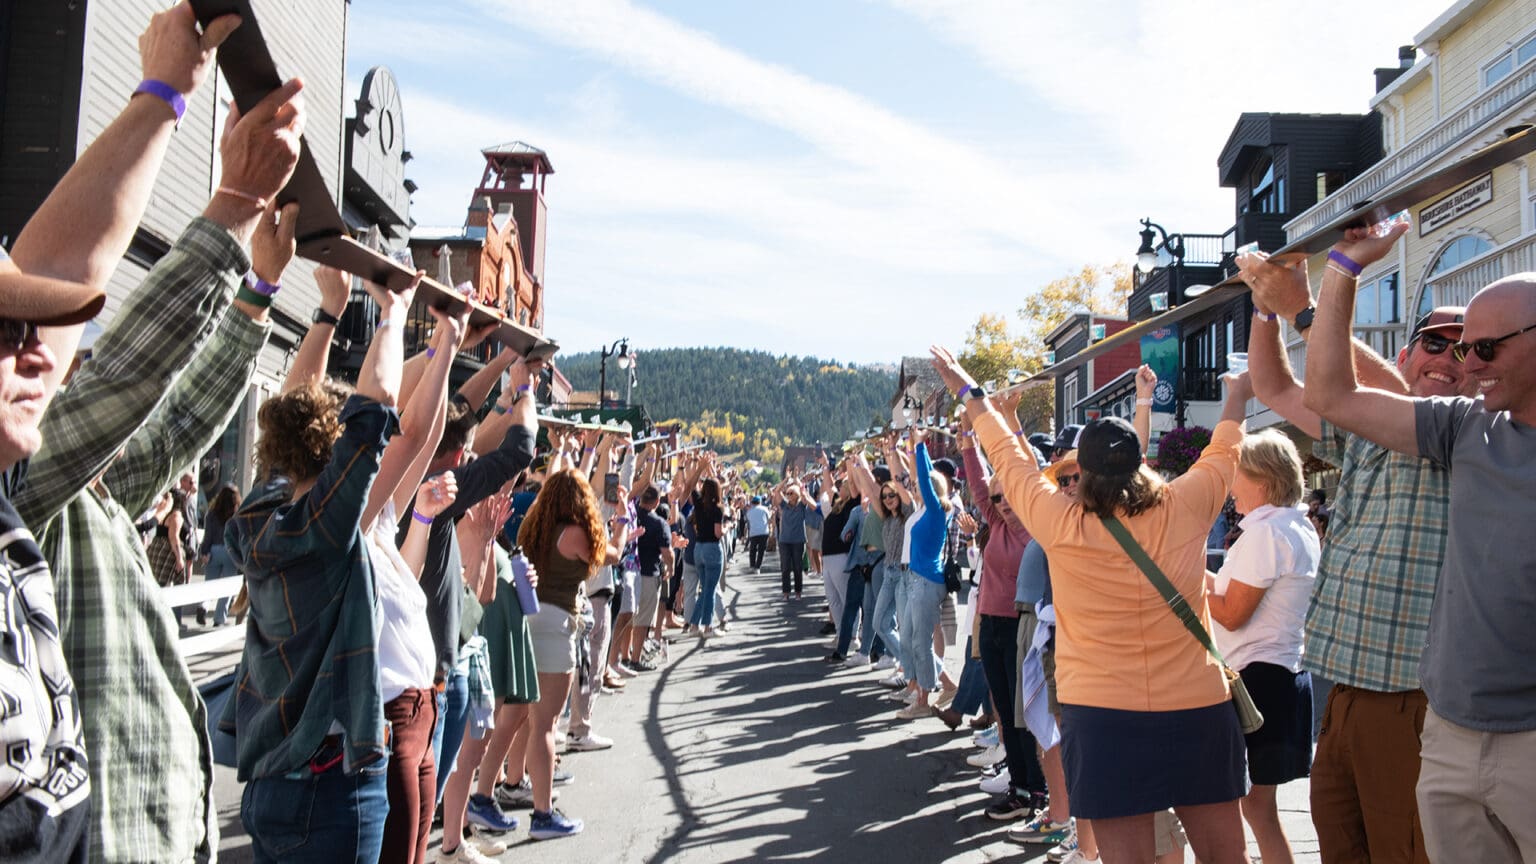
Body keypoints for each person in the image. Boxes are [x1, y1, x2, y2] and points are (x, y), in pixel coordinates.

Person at [7, 10, 300, 859]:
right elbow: (125, 370)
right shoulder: (25, 485)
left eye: (33, 338)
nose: (33, 357)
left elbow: (171, 420)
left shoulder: (75, 494)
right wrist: (228, 194)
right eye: (7, 338)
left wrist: (256, 297)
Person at [931, 344, 1253, 864]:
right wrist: (1237, 393)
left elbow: (1008, 459)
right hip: (1197, 706)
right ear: (1140, 463)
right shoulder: (1187, 505)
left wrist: (971, 393)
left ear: (1085, 473)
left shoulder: (1060, 522)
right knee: (1225, 857)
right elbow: (1226, 446)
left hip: (1105, 716)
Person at [1296, 217, 1536, 863]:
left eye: (1485, 349)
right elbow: (1331, 392)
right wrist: (1344, 269)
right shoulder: (1465, 428)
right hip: (1451, 733)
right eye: (1461, 348)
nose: (1469, 364)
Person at [1240, 231, 1474, 864]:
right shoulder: (1374, 427)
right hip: (1341, 692)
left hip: (1410, 701)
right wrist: (1266, 305)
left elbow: (1368, 385)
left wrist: (1303, 302)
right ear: (1408, 348)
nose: (1448, 360)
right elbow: (1276, 387)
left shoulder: (1474, 437)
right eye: (1435, 342)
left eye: (1469, 351)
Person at [222, 267, 422, 863]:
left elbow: (294, 409)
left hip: (267, 786)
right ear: (331, 451)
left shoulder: (258, 515)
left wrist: (330, 311)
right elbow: (376, 407)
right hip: (330, 785)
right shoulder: (327, 526)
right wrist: (395, 312)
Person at [1206, 429, 1320, 864]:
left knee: (1240, 805)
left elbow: (1233, 613)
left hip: (1258, 679)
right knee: (1257, 808)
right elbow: (1236, 595)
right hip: (1278, 674)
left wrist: (1183, 573)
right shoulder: (1295, 526)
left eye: (1238, 473)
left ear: (1263, 479)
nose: (1231, 483)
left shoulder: (1267, 533)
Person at [517, 468, 630, 840]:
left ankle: (520, 788)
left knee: (527, 720)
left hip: (528, 620)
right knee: (547, 725)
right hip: (556, 626)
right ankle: (543, 813)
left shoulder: (534, 530)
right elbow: (611, 555)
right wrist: (622, 520)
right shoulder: (576, 533)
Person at [199, 483, 243, 625]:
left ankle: (203, 606)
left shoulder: (211, 514)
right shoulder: (237, 514)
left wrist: (204, 551)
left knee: (209, 583)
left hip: (214, 550)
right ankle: (219, 618)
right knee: (227, 587)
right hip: (230, 552)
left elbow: (208, 535)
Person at [772, 481, 815, 599]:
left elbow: (805, 495)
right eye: (787, 493)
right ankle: (786, 593)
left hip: (798, 541)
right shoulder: (784, 505)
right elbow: (777, 491)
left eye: (791, 493)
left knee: (797, 567)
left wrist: (799, 484)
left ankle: (798, 592)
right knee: (785, 567)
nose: (788, 495)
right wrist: (785, 480)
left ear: (796, 495)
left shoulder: (801, 506)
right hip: (784, 541)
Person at [745, 494, 771, 571]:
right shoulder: (765, 509)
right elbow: (768, 519)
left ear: (752, 502)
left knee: (752, 549)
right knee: (761, 550)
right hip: (764, 532)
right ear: (760, 502)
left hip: (753, 533)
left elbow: (748, 521)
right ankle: (757, 567)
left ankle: (752, 565)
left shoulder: (749, 512)